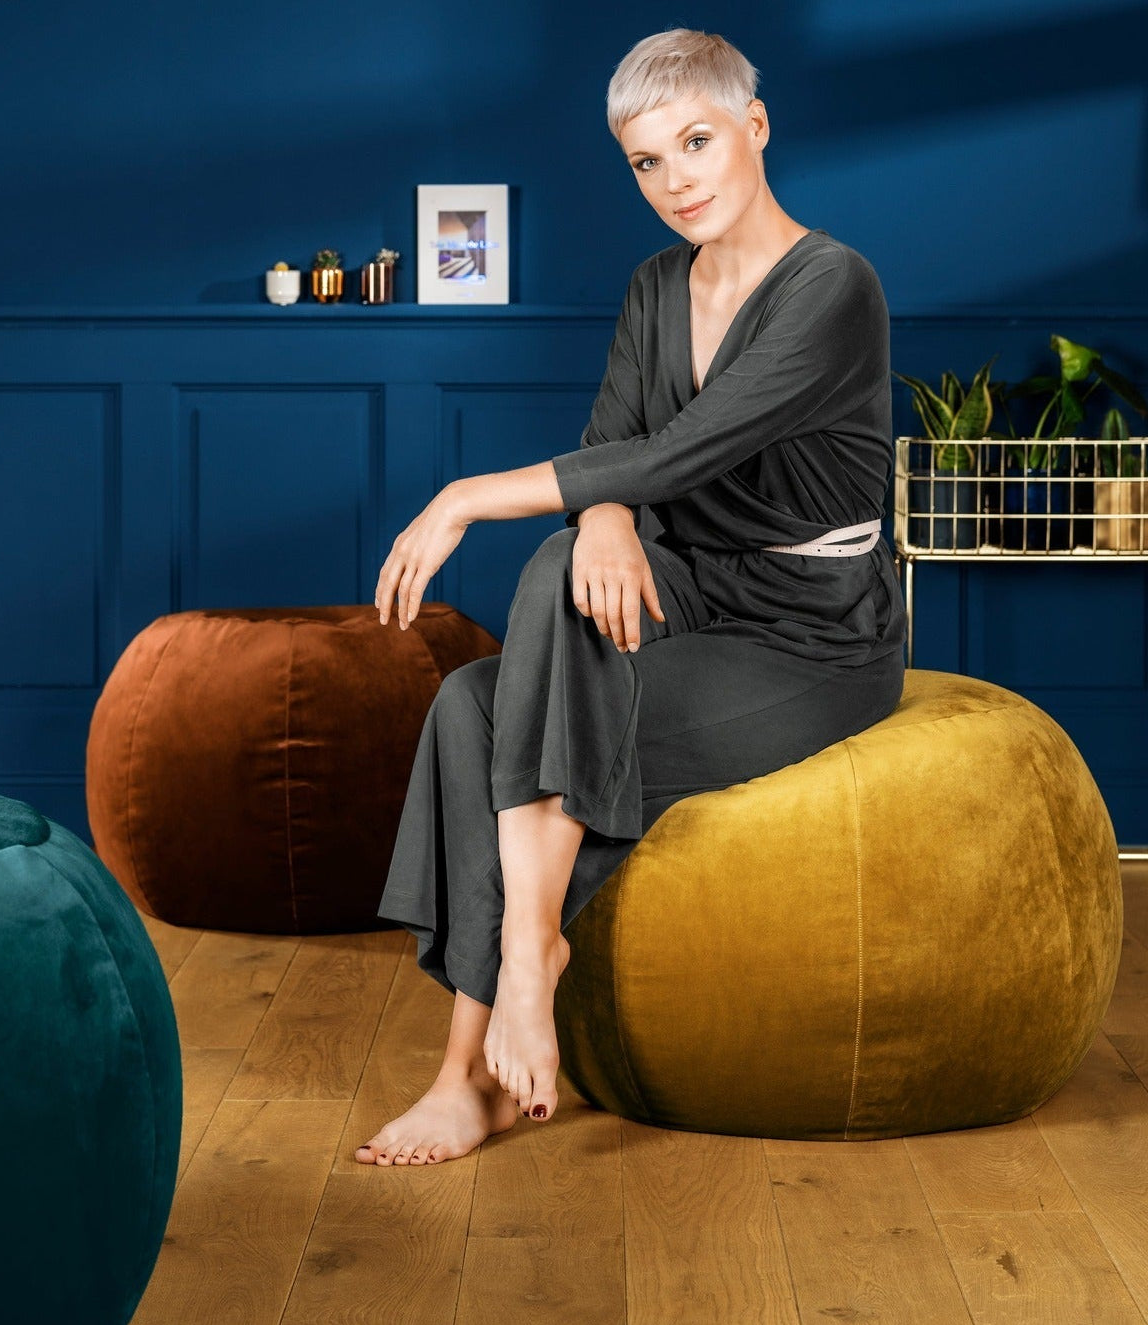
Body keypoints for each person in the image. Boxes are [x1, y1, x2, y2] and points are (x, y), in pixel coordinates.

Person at [354, 27, 907, 1167]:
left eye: (698, 142)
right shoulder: (657, 285)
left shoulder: (835, 286)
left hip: (811, 632)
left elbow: (679, 452)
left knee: (522, 699)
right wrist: (603, 515)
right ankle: (487, 1041)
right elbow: (619, 452)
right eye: (648, 162)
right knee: (472, 693)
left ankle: (516, 978)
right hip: (689, 583)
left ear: (756, 127)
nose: (678, 180)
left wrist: (464, 495)